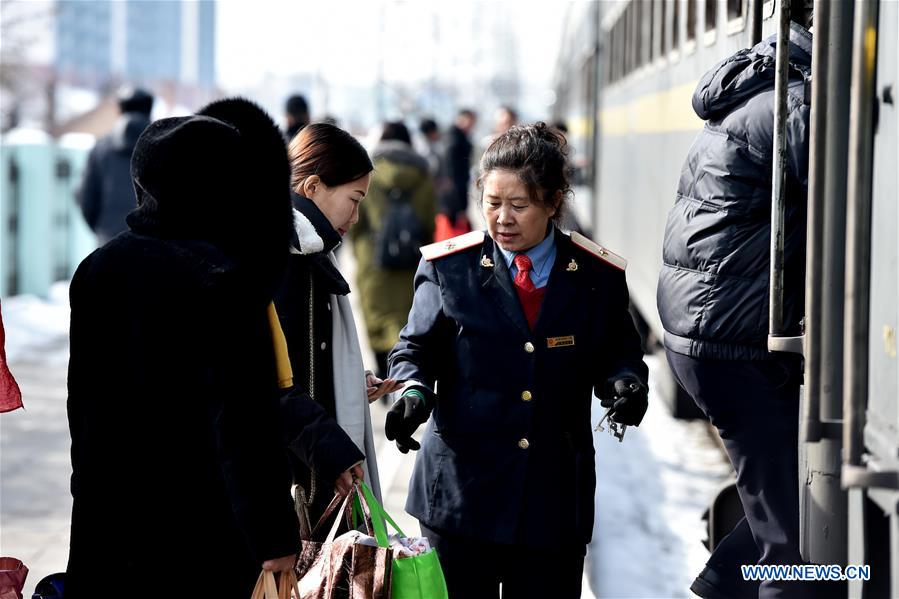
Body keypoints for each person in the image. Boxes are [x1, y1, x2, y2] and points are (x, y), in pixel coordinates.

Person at [386, 122, 649, 598]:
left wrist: (626, 383)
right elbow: (415, 349)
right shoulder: (450, 267)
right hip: (461, 500)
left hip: (551, 505)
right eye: (492, 203)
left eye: (519, 205)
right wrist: (413, 391)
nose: (502, 218)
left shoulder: (596, 275)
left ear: (552, 202)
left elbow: (619, 352)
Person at [66, 98, 300, 598]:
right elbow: (245, 421)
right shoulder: (224, 280)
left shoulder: (97, 269)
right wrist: (274, 533)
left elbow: (81, 407)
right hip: (199, 529)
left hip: (109, 521)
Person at [656, 6, 815, 599]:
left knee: (790, 502)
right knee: (792, 545)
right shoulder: (793, 104)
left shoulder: (762, 90)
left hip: (712, 333)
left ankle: (719, 586)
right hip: (730, 342)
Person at [274, 122, 400, 531]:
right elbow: (273, 382)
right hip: (294, 478)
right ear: (312, 187)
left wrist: (346, 383)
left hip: (308, 463)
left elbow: (304, 360)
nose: (356, 216)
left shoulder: (309, 253)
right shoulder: (284, 261)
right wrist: (333, 453)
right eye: (354, 199)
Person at [349, 121, 435, 380]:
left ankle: (382, 375)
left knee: (376, 318)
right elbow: (429, 221)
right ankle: (403, 374)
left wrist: (360, 250)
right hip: (413, 260)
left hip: (373, 261)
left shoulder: (367, 173)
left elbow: (356, 223)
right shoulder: (423, 173)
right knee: (407, 319)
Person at [76, 86, 153, 244]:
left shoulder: (101, 148)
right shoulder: (166, 147)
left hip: (109, 242)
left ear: (120, 110)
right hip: (153, 245)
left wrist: (102, 231)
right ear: (149, 110)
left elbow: (86, 199)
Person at [435, 109, 476, 241]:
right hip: (454, 194)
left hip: (454, 191)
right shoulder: (453, 139)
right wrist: (459, 203)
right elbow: (452, 171)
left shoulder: (455, 137)